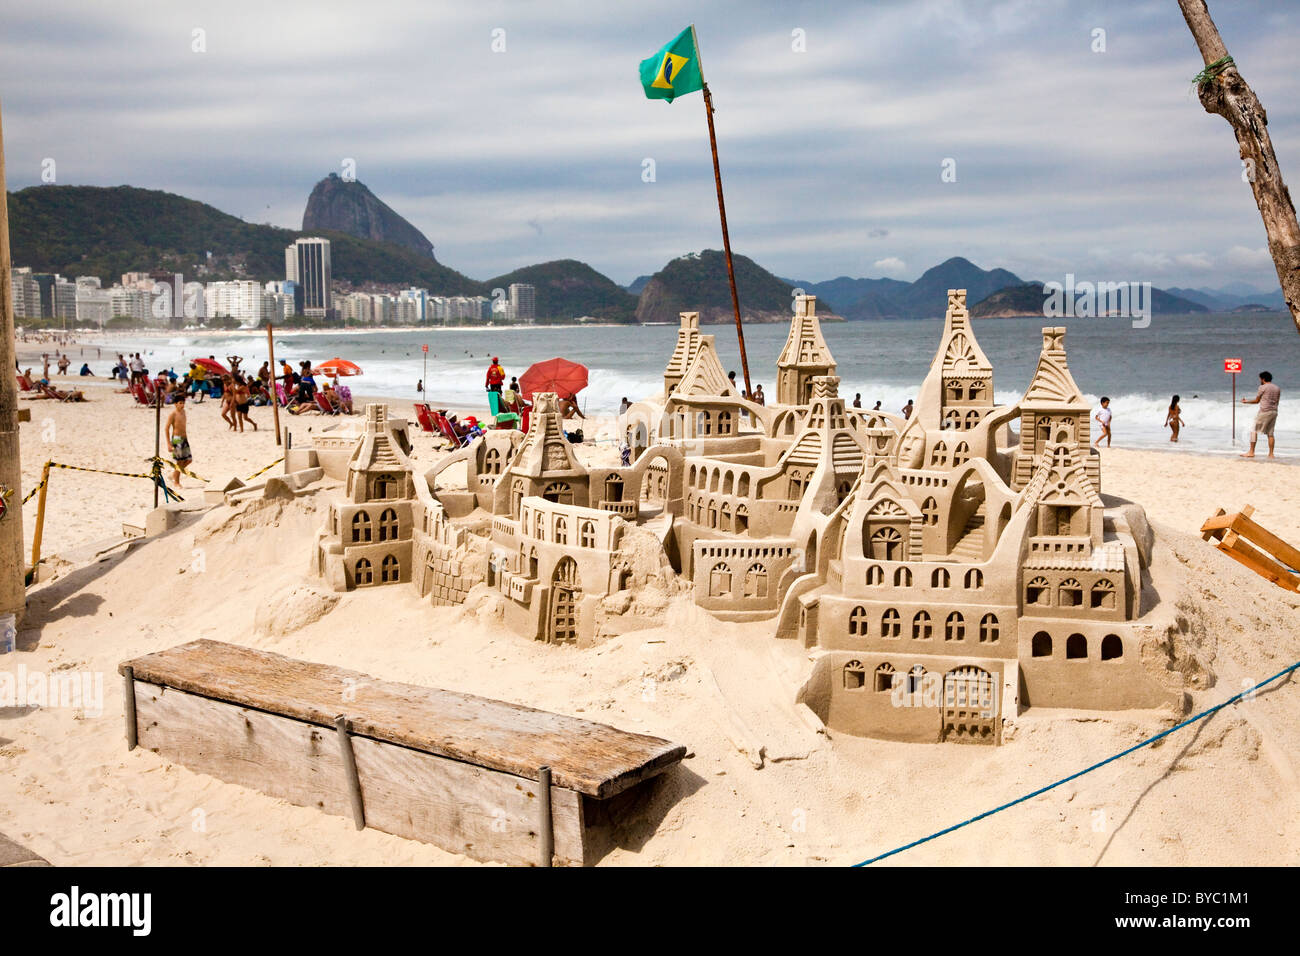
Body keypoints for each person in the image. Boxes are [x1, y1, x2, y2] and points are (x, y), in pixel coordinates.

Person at [1241, 371, 1280, 459]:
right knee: (1270, 433)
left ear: (1263, 379)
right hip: (1274, 411)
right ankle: (1271, 454)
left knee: (1253, 430)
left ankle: (1251, 452)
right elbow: (1277, 401)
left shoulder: (1262, 387)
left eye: (1260, 379)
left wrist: (1246, 401)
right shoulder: (1277, 388)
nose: (1260, 380)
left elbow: (1256, 401)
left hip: (1264, 411)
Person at [165, 396, 193, 488]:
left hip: (184, 438)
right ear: (175, 404)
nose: (182, 405)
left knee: (188, 460)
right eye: (180, 403)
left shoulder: (184, 412)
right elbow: (167, 428)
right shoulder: (173, 414)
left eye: (183, 403)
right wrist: (169, 443)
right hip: (177, 439)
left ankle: (174, 475)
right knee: (179, 462)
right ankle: (176, 482)